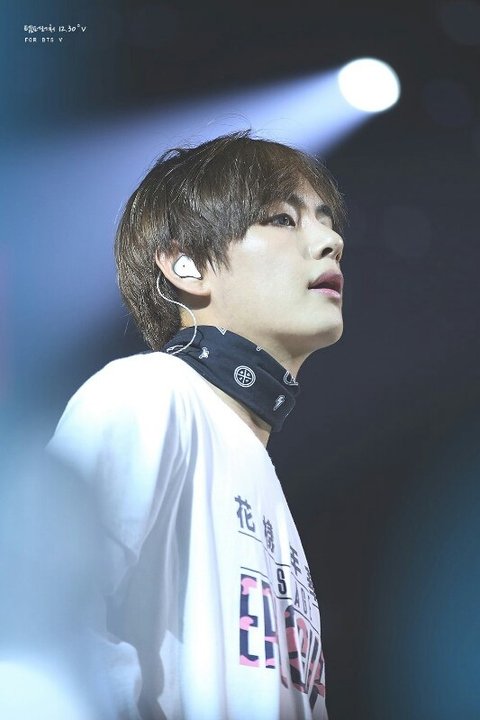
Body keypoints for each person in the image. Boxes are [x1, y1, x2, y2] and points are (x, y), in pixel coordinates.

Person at [46, 130, 346, 720]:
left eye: (326, 221)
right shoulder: (149, 393)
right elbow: (35, 618)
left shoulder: (258, 469)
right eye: (282, 219)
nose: (330, 241)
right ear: (186, 265)